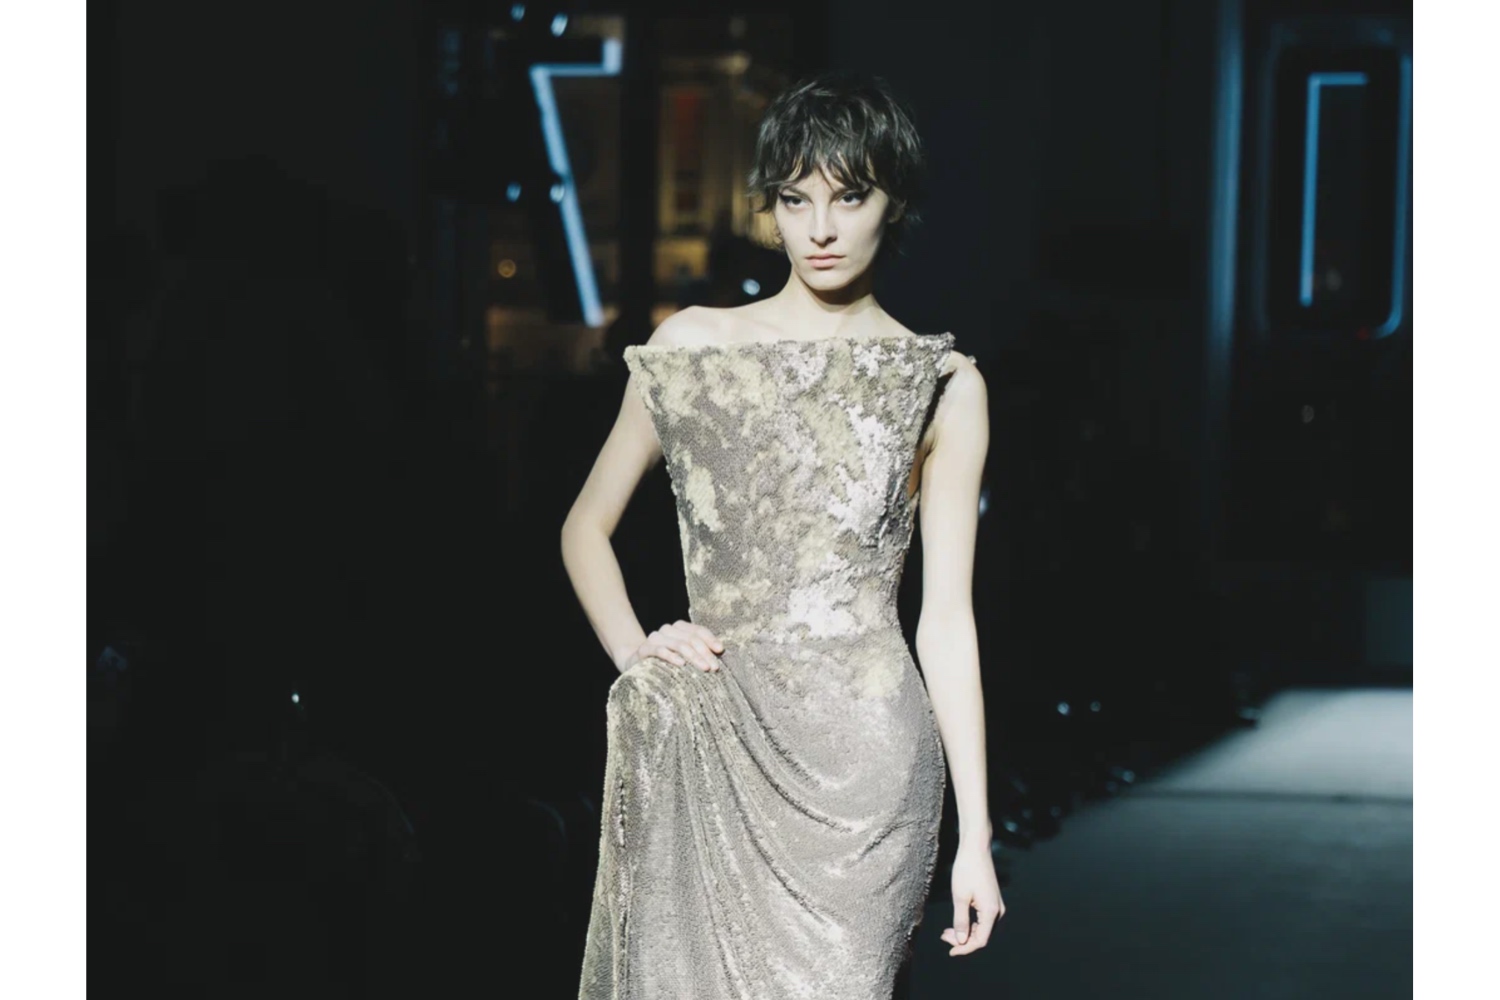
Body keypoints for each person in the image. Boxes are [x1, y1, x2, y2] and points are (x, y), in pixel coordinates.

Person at [561, 72, 1003, 998]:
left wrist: (977, 837)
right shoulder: (692, 347)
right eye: (796, 200)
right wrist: (638, 652)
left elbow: (946, 620)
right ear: (770, 209)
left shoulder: (943, 385)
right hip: (710, 737)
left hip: (869, 772)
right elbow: (584, 527)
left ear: (894, 204)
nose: (822, 228)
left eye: (850, 197)